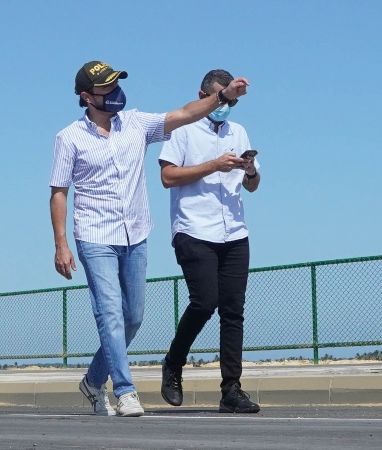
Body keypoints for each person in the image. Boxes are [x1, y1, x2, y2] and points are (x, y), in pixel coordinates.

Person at [49, 61, 250, 417]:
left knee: (133, 317)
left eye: (116, 84)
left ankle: (93, 381)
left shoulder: (137, 124)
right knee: (109, 314)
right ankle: (125, 390)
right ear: (86, 96)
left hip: (135, 233)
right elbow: (59, 192)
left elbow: (186, 113)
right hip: (95, 235)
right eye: (106, 88)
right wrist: (61, 244)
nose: (114, 92)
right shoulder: (69, 138)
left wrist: (223, 95)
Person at [157, 69, 262, 414]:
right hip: (193, 230)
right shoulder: (183, 128)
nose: (226, 106)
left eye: (231, 100)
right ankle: (173, 362)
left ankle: (231, 389)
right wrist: (213, 165)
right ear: (203, 96)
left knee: (233, 311)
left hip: (234, 232)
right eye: (221, 97)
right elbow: (168, 176)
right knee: (205, 302)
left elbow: (252, 185)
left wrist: (248, 170)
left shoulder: (239, 131)